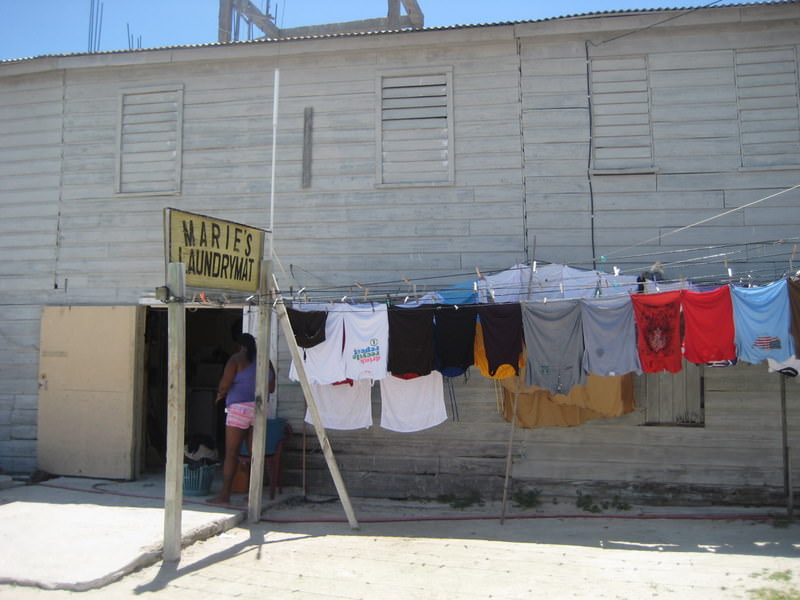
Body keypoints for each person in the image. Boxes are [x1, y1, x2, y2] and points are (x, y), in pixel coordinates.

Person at [208, 332, 275, 504]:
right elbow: (272, 387)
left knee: (231, 453)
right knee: (256, 454)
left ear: (240, 345)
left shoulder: (236, 359)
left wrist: (219, 395)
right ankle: (254, 496)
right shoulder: (265, 361)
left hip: (239, 409)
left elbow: (224, 384)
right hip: (259, 410)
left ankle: (225, 495)